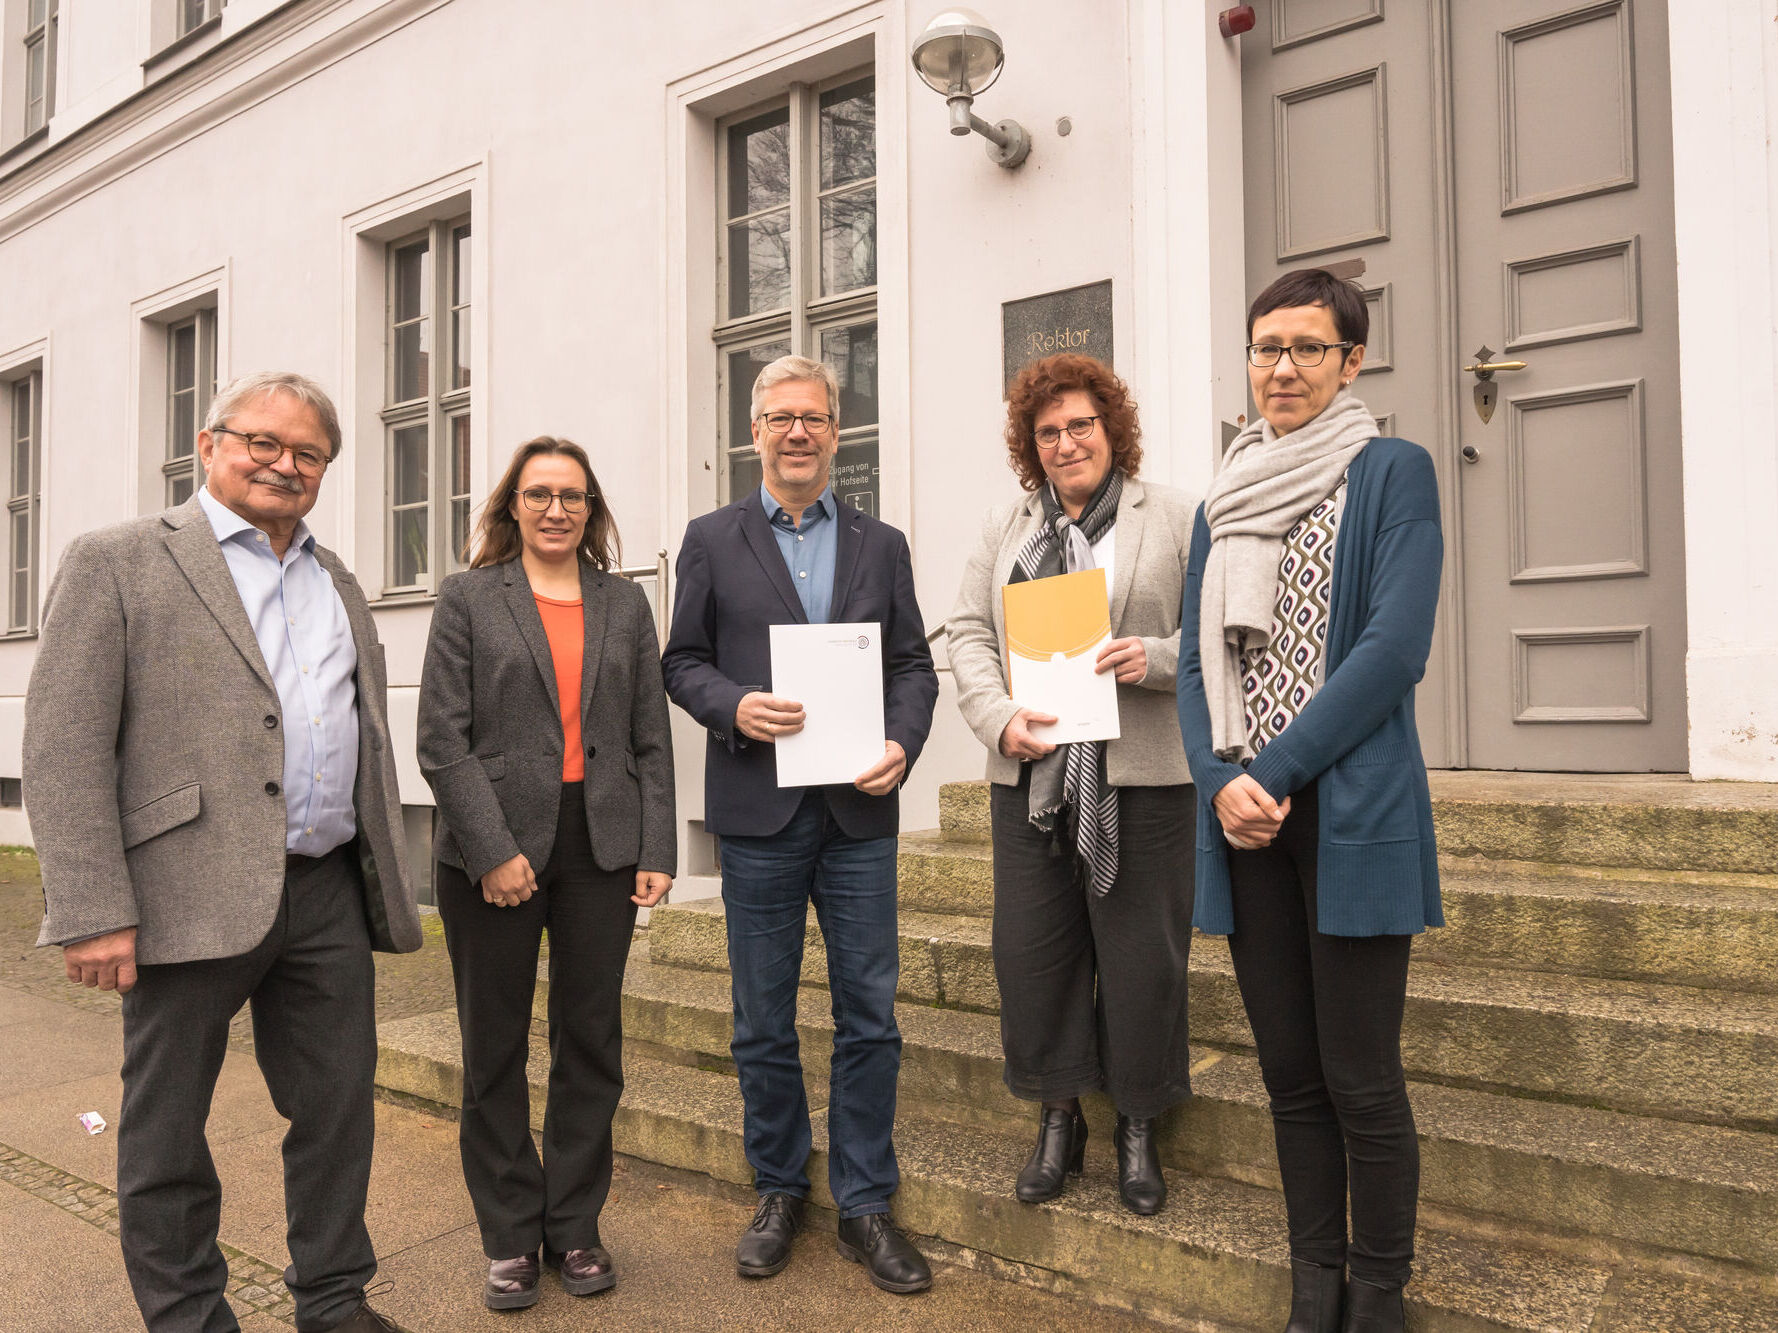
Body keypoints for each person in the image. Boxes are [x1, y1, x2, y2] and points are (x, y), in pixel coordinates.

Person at [26, 371, 418, 1333]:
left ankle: (333, 1300)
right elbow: (63, 745)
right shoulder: (118, 560)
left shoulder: (340, 583)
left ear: (326, 469)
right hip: (178, 894)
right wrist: (92, 907)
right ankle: (190, 1316)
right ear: (210, 445)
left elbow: (355, 729)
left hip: (325, 890)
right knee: (165, 1133)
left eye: (308, 453)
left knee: (336, 1114)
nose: (285, 464)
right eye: (263, 442)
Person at [1177, 268, 1443, 1333]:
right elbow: (1198, 668)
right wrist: (1215, 781)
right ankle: (1311, 1289)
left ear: (1350, 361)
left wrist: (1268, 774)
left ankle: (1376, 1296)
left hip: (1348, 813)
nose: (1278, 368)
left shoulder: (1391, 472)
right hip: (1242, 821)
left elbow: (1391, 650)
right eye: (1261, 348)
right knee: (1289, 1076)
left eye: (1303, 348)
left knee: (1359, 1078)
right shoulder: (1222, 494)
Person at [661, 355, 939, 1293]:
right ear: (755, 432)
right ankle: (779, 1186)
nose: (796, 432)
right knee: (760, 1019)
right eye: (779, 418)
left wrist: (904, 740)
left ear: (835, 429)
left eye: (813, 417)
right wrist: (733, 705)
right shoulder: (710, 537)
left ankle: (865, 1202)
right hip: (759, 811)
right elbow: (682, 661)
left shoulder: (882, 543)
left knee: (870, 1014)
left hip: (860, 809)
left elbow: (914, 665)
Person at [417, 437, 675, 1311]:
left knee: (590, 1040)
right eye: (539, 494)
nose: (556, 508)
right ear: (511, 506)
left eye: (571, 495)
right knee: (493, 1046)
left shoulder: (625, 602)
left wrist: (657, 847)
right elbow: (440, 741)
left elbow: (649, 736)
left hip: (599, 842)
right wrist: (491, 850)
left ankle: (573, 1225)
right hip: (492, 847)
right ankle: (508, 1236)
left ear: (592, 507)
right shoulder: (468, 599)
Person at [947, 353, 1198, 1216]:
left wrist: (1155, 658)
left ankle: (1136, 1121)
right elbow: (969, 634)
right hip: (1031, 774)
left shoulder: (1172, 517)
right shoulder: (1007, 526)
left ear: (1111, 428)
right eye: (1048, 431)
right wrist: (997, 720)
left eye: (1081, 425)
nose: (1066, 442)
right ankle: (1060, 1116)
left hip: (1144, 775)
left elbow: (1213, 640)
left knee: (1143, 960)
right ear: (1031, 444)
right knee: (1033, 955)